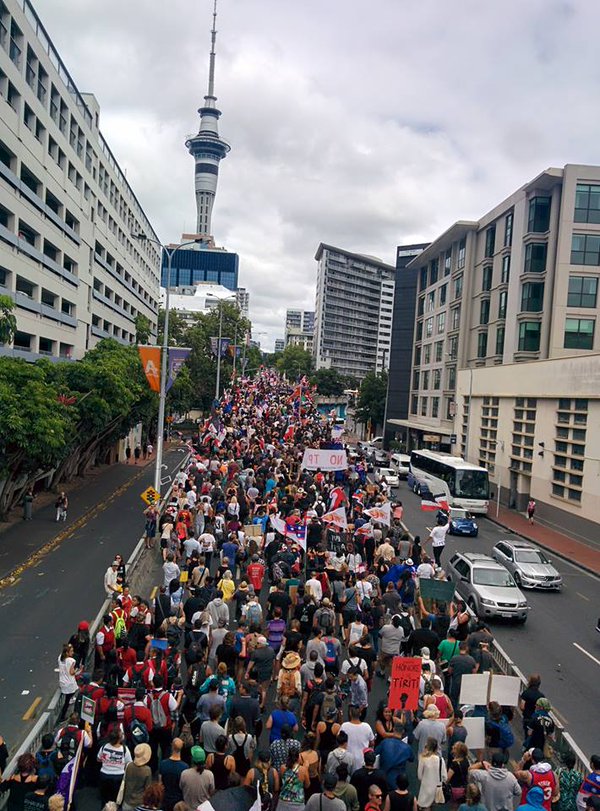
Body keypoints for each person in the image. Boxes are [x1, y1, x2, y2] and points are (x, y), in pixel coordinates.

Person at [97, 728, 132, 805]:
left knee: (104, 799)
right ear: (119, 739)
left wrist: (107, 761)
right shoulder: (124, 749)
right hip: (118, 777)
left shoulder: (104, 746)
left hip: (104, 775)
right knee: (116, 799)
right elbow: (129, 763)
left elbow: (98, 759)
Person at [417, 737, 446, 811]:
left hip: (425, 788)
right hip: (437, 790)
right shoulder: (440, 759)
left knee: (425, 807)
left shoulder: (423, 759)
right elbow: (445, 777)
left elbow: (419, 776)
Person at [340, 706, 374, 770]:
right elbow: (372, 742)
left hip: (347, 760)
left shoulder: (344, 726)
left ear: (350, 714)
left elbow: (339, 739)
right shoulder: (367, 726)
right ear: (360, 714)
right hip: (362, 760)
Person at [120, 744, 152, 811]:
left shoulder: (129, 765)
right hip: (139, 803)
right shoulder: (147, 770)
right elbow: (148, 788)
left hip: (127, 801)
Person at [158, 738, 187, 811]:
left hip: (165, 799)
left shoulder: (163, 764)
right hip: (178, 801)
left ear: (172, 746)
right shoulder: (184, 767)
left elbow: (160, 783)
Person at [57, 644, 79, 721]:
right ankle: (63, 716)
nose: (72, 653)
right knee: (67, 700)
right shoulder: (71, 661)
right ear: (67, 652)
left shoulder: (60, 658)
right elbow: (71, 672)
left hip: (62, 681)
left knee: (67, 698)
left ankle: (69, 701)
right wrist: (77, 671)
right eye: (71, 651)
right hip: (69, 683)